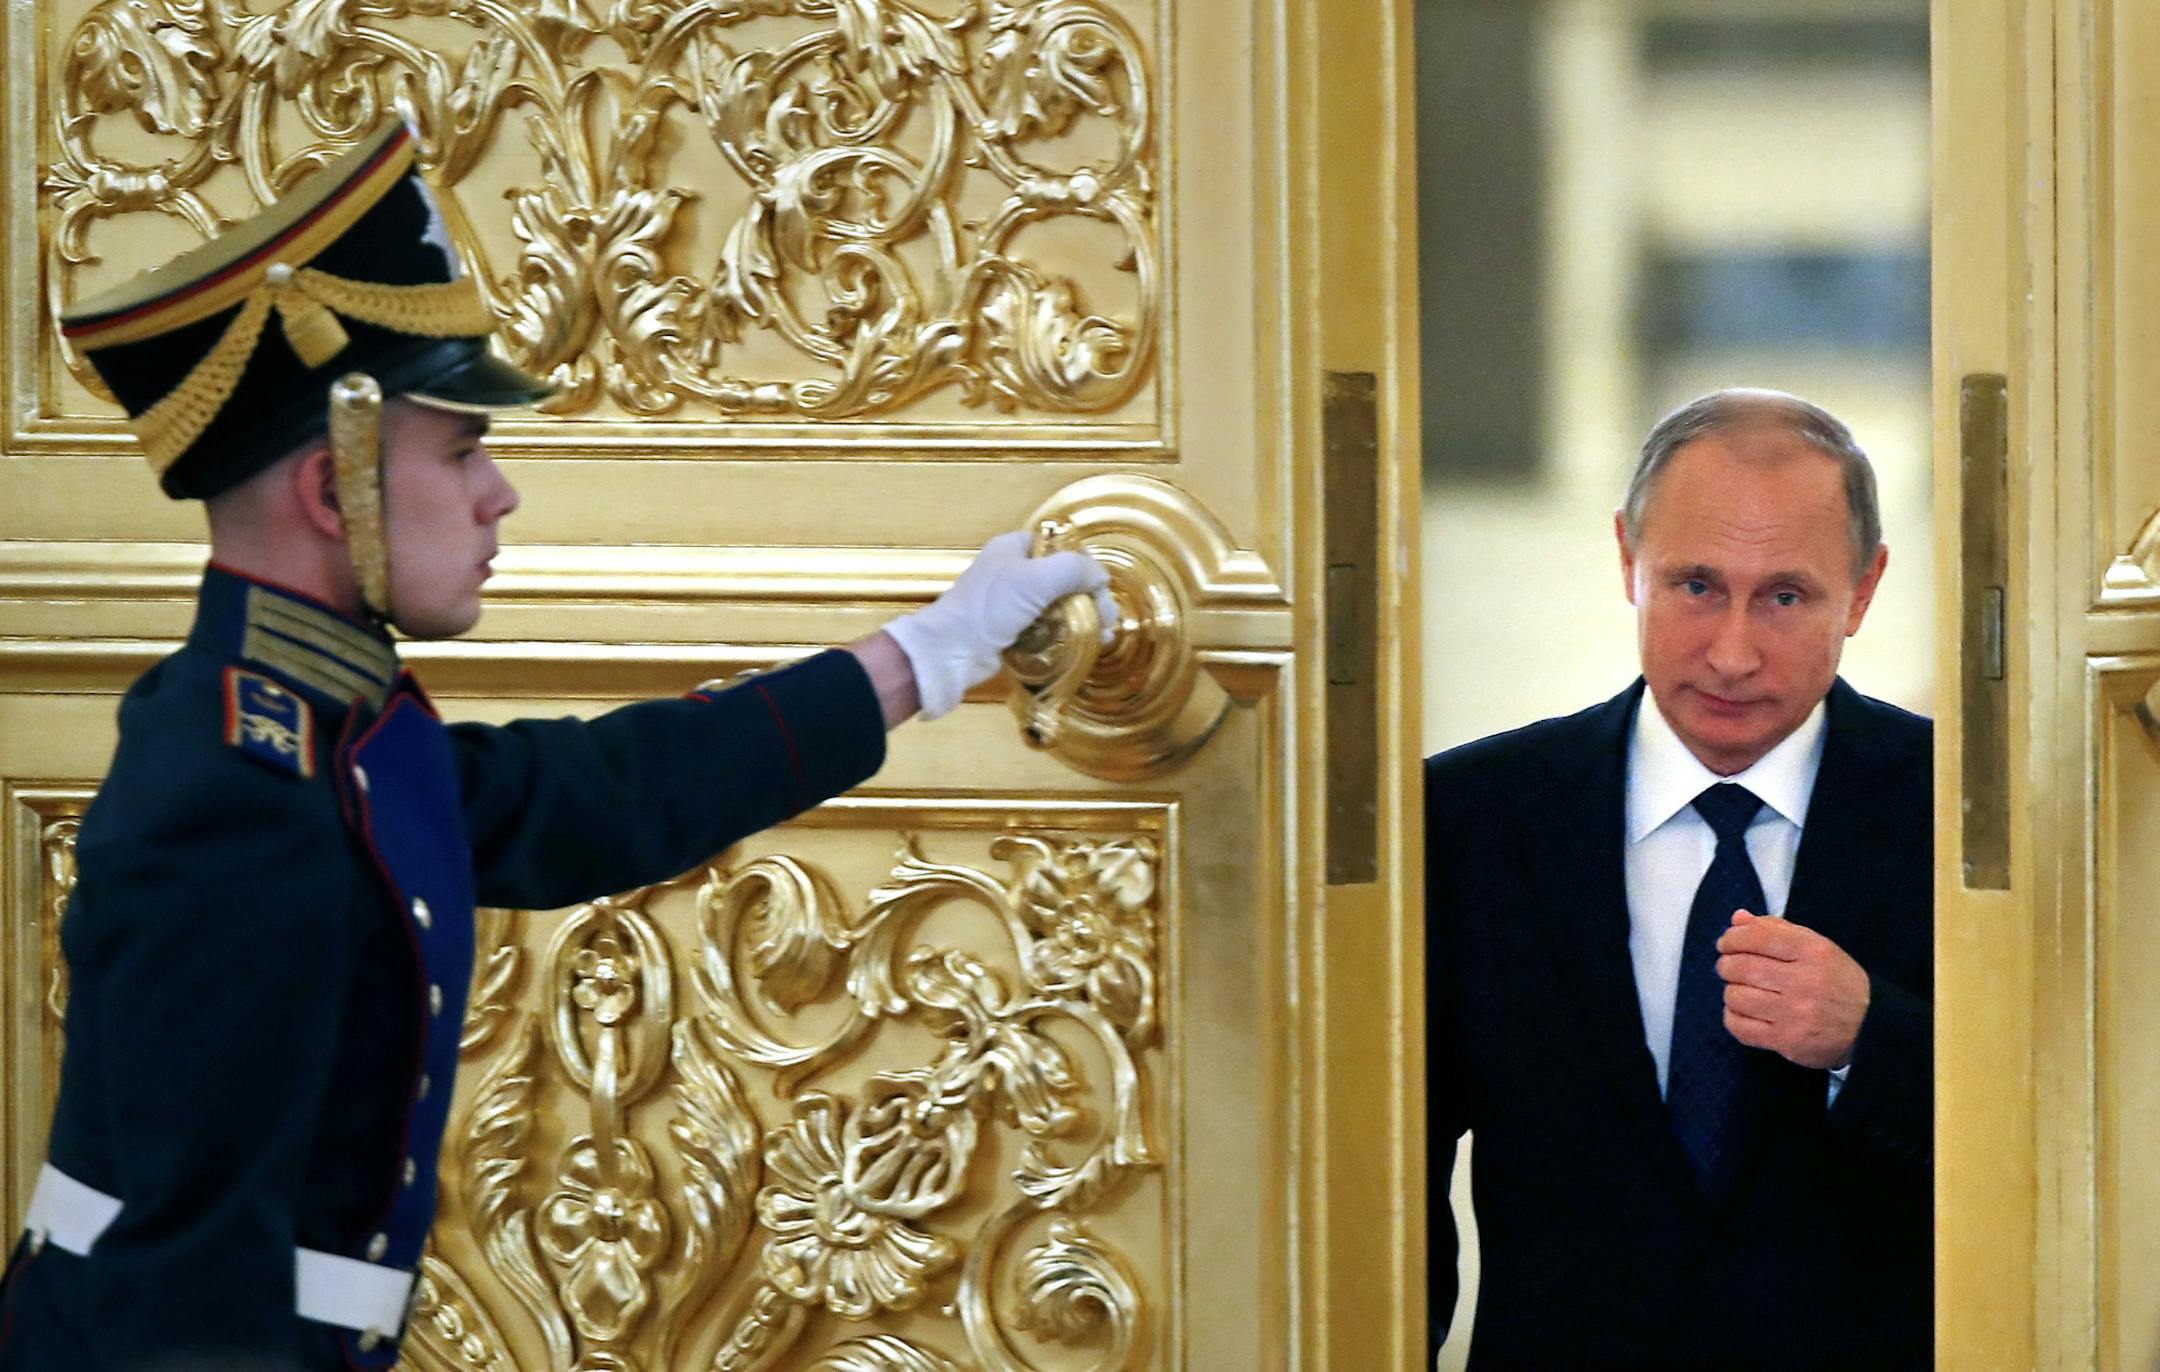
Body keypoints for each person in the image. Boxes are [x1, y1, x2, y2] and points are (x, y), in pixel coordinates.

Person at [0, 119, 1112, 1371]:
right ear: (330, 492)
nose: (499, 493)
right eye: (462, 449)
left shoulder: (309, 724)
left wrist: (931, 653)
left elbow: (587, 797)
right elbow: (186, 1296)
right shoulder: (238, 794)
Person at [1424, 389, 1931, 1369]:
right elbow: (1388, 1177)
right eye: (1697, 585)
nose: (1732, 654)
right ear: (1628, 559)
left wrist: (1872, 1039)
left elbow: (2058, 1146)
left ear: (1864, 589)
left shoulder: (1963, 818)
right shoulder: (1469, 817)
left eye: (1785, 597)